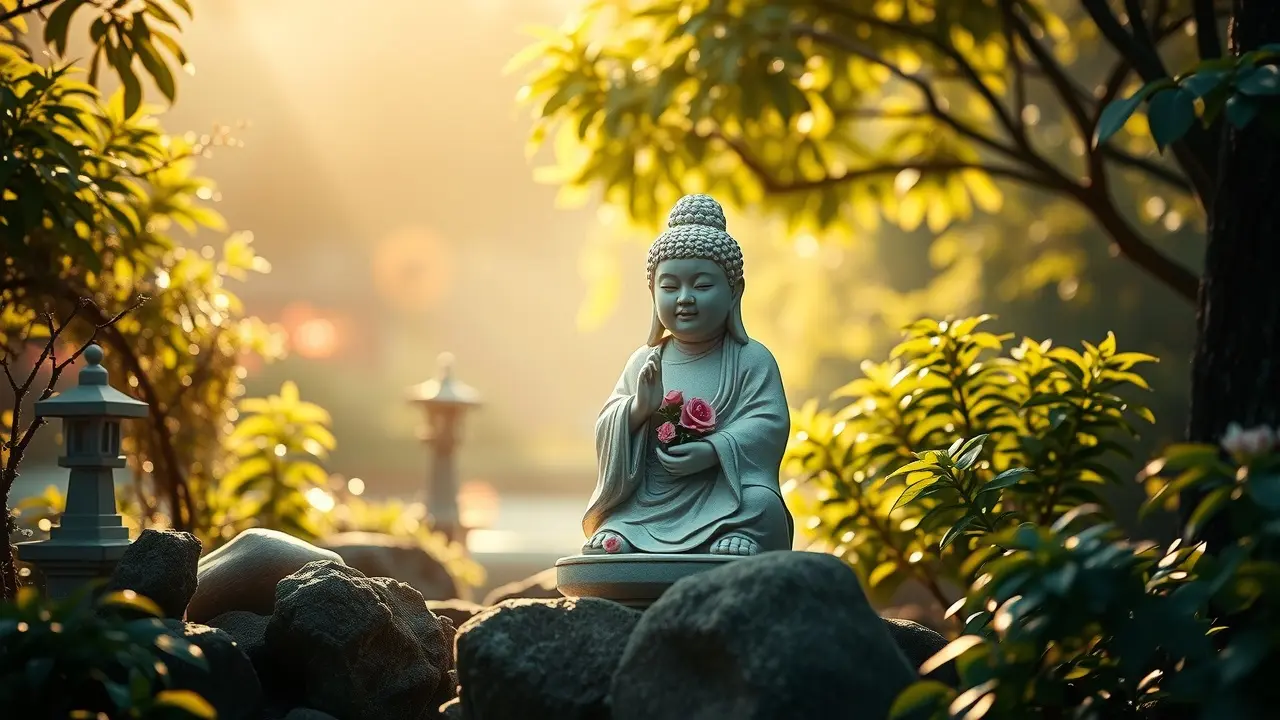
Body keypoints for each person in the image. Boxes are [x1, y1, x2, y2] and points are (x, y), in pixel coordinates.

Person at [582, 194, 794, 556]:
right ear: (652, 292)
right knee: (618, 512)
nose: (684, 298)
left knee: (762, 503)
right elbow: (606, 426)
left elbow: (769, 424)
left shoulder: (751, 359)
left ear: (734, 292)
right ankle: (625, 532)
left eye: (702, 285)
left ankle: (738, 532)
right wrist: (637, 409)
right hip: (653, 497)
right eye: (669, 287)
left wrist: (714, 449)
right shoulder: (644, 361)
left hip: (722, 492)